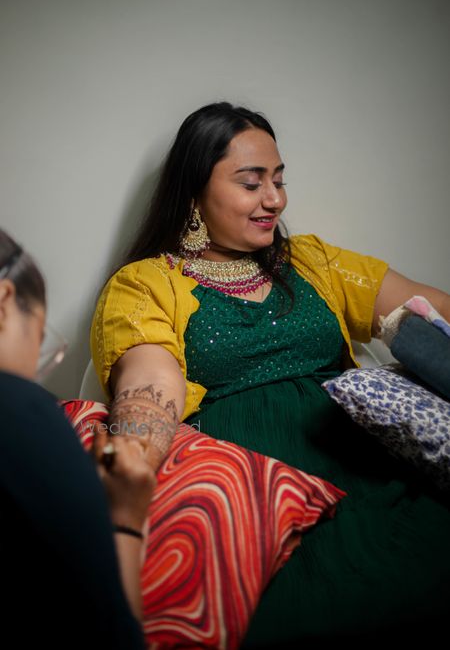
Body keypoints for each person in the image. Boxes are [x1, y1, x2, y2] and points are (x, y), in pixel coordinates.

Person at [91, 102, 450, 643]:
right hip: (255, 489)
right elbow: (151, 382)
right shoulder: (145, 283)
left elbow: (433, 310)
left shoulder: (313, 261)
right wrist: (134, 461)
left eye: (278, 180)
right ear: (194, 194)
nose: (275, 199)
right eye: (251, 182)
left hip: (365, 466)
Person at [0, 228, 155, 649]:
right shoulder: (21, 408)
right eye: (37, 342)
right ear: (4, 302)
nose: (34, 373)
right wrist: (126, 520)